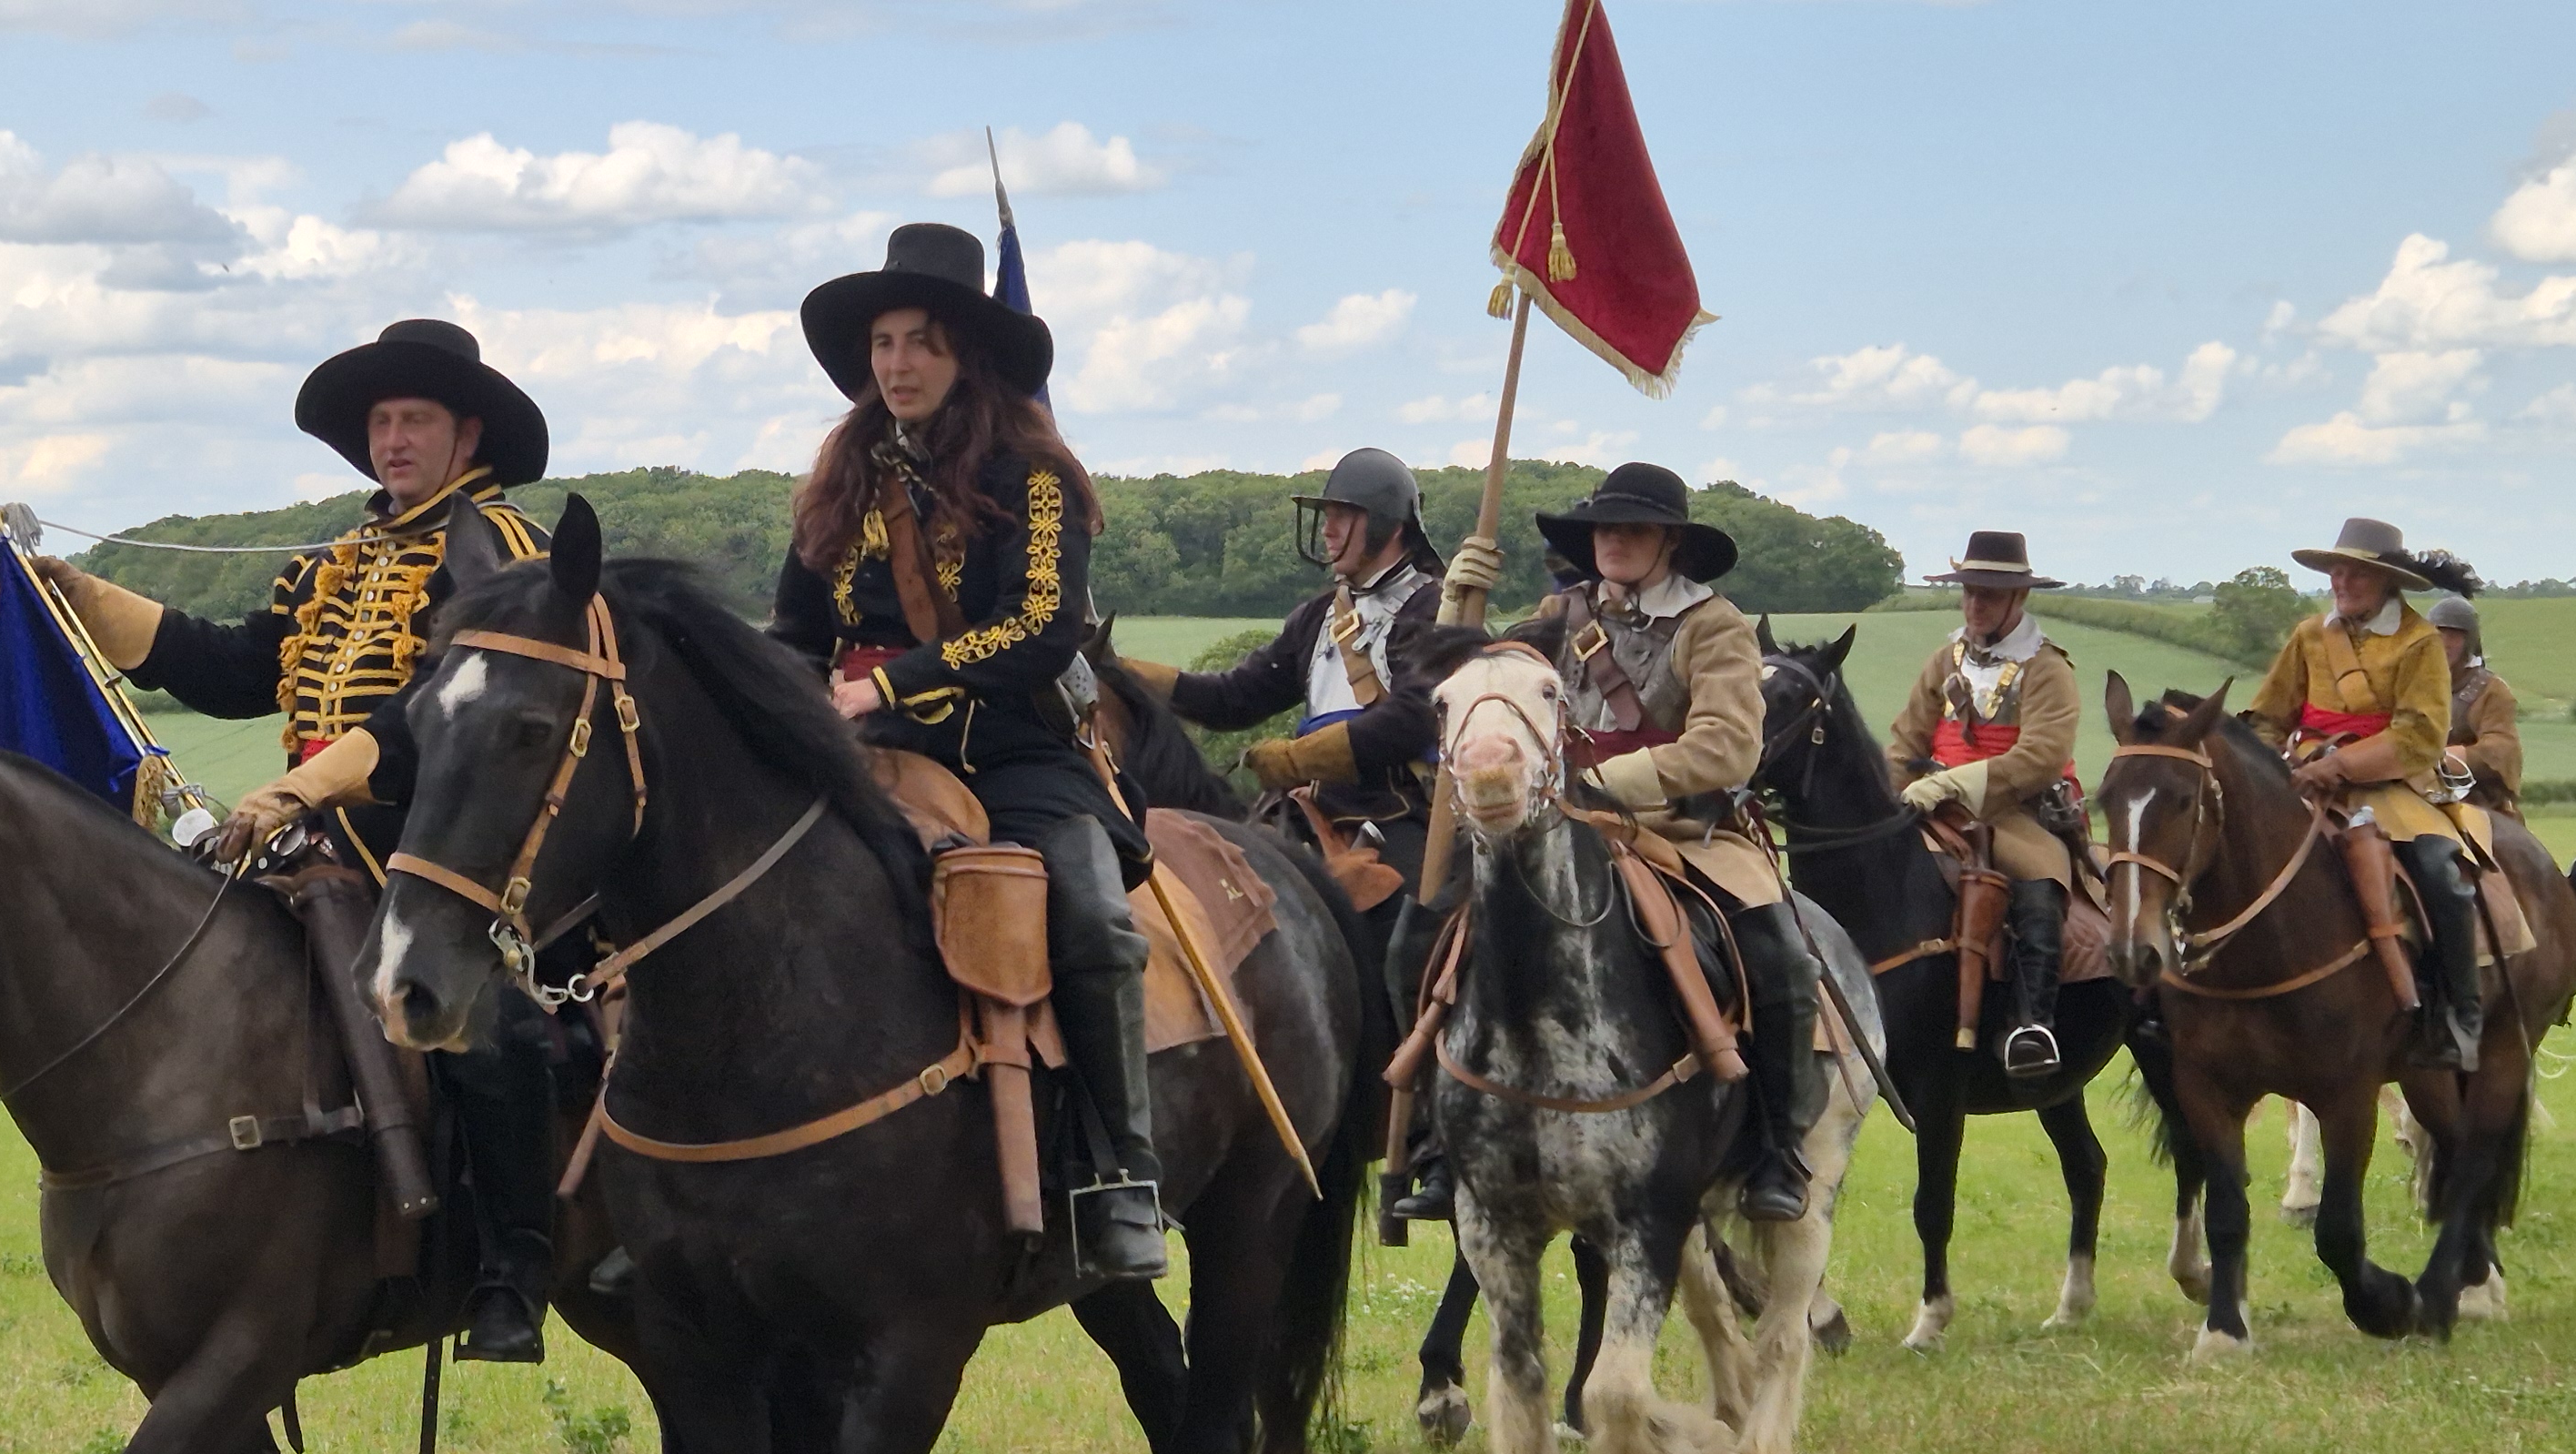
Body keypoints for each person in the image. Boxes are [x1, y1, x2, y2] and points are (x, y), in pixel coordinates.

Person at [26, 318, 569, 1361]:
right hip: (310, 842)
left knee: (484, 1029)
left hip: (444, 849)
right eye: (381, 421)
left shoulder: (503, 549)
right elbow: (239, 669)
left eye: (415, 420)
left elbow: (438, 706)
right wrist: (87, 599)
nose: (392, 440)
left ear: (467, 433)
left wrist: (302, 786)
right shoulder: (337, 559)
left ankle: (513, 1274)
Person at [764, 222, 1171, 1281]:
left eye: (921, 342)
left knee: (1091, 917)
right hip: (864, 751)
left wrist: (889, 683)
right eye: (883, 344)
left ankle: (1119, 1173)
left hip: (1011, 748)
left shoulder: (1030, 472)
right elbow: (795, 634)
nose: (897, 364)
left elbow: (1040, 626)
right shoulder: (838, 480)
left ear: (967, 354)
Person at [1524, 461, 1822, 1221]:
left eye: (1635, 528)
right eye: (1604, 527)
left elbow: (1728, 748)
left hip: (1682, 832)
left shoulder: (1714, 625)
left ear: (1671, 542)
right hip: (1557, 825)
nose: (1614, 540)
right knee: (1439, 927)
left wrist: (1608, 782)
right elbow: (1489, 685)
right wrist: (1460, 605)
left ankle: (1779, 1149)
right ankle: (1439, 1132)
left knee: (1780, 958)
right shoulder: (1557, 615)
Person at [1112, 446, 1450, 886]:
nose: (1327, 529)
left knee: (1401, 914)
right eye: (1326, 516)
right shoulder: (1317, 617)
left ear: (1389, 524)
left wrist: (1296, 758)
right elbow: (1235, 698)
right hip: (1310, 808)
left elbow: (1413, 718)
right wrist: (1124, 674)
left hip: (1395, 807)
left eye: (1343, 516)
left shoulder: (1434, 609)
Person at [2241, 519, 2483, 1070]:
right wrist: (2270, 768)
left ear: (2386, 581)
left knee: (2438, 874)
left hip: (2392, 786)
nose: (2341, 582)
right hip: (2302, 781)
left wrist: (2339, 765)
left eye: (2356, 573)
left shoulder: (2419, 642)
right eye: (2336, 571)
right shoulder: (2309, 635)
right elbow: (2268, 717)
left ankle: (2459, 1016)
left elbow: (2419, 737)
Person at [1883, 532, 2082, 1075]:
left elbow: (2041, 757)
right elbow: (1904, 742)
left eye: (1989, 594)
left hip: (2015, 811)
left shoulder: (2047, 669)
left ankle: (2031, 1026)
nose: (1975, 604)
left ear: (2020, 597)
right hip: (1932, 806)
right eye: (1970, 591)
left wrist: (1951, 785)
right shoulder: (1943, 660)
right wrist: (1888, 797)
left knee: (2040, 886)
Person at [2426, 588, 2521, 817]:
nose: (2445, 643)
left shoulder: (2491, 690)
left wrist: (2444, 759)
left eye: (2454, 636)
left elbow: (2502, 748)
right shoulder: (2414, 684)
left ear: (2469, 641)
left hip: (2477, 798)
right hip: (2417, 789)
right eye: (2438, 634)